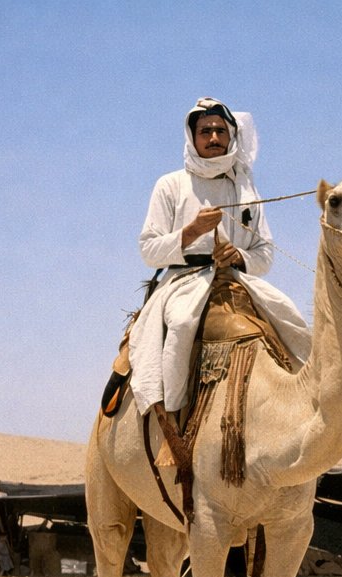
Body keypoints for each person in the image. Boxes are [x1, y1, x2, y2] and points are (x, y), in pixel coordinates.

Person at [100, 97, 310, 422]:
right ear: (192, 136)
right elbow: (148, 250)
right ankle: (172, 420)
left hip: (236, 279)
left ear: (231, 136)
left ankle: (307, 418)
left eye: (220, 131)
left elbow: (265, 253)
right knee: (183, 324)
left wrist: (238, 256)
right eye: (205, 131)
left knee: (293, 323)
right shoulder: (170, 185)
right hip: (183, 282)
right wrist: (191, 231)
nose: (213, 138)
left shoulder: (246, 189)